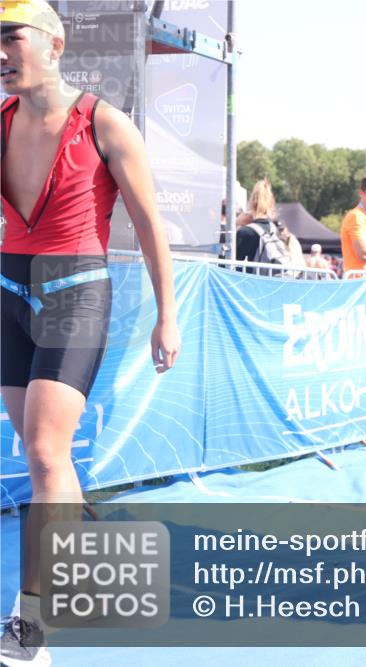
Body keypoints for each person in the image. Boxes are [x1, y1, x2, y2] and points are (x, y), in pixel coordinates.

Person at [1, 3, 181, 664]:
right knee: (38, 449)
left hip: (76, 288)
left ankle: (30, 627)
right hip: (10, 290)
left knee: (47, 453)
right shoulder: (0, 121)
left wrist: (168, 313)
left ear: (53, 42)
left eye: (9, 38)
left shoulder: (104, 121)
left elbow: (151, 224)